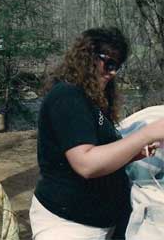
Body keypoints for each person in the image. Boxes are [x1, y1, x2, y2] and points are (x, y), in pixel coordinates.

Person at [29, 27, 164, 240]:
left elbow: (101, 149)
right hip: (68, 225)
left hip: (105, 222)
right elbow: (86, 163)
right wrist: (147, 134)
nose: (113, 73)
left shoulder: (94, 99)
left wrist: (132, 152)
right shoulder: (67, 97)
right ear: (87, 57)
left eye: (117, 66)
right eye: (109, 63)